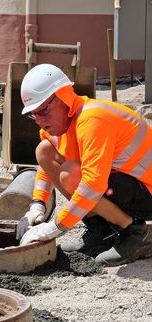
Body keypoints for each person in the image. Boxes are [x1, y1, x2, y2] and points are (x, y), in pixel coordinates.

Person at [17, 63, 152, 267]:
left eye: (43, 110)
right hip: (128, 186)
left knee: (71, 174)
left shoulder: (92, 119)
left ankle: (136, 234)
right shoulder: (60, 126)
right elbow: (46, 165)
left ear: (62, 97)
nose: (38, 120)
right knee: (43, 150)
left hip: (147, 192)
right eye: (33, 114)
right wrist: (37, 206)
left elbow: (93, 185)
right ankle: (100, 230)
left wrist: (53, 228)